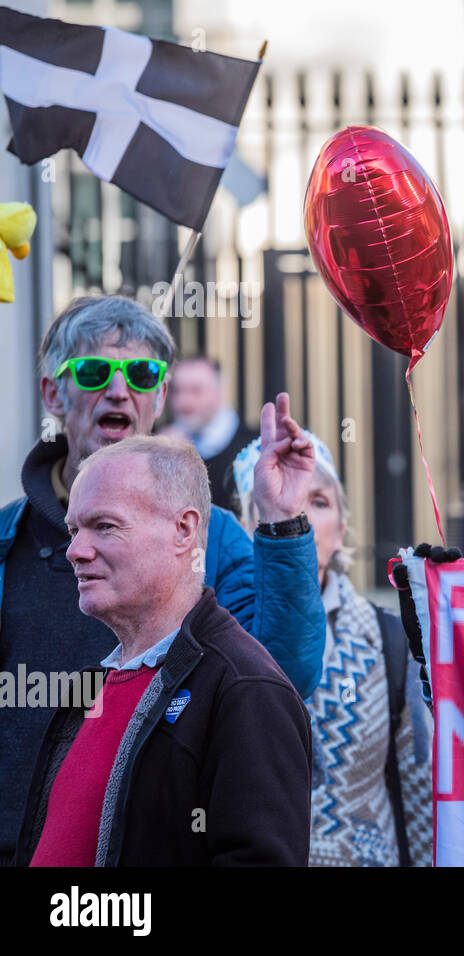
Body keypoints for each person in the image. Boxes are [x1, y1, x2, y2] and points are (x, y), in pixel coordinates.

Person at [0, 294, 325, 867]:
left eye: (143, 372)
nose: (120, 390)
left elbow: (283, 674)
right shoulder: (7, 538)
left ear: (161, 396)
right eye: (96, 371)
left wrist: (281, 523)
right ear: (54, 394)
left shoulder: (213, 536)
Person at [16, 437, 311, 866]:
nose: (76, 551)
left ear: (183, 530)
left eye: (105, 526)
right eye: (73, 530)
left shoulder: (245, 688)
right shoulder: (98, 685)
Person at [231, 433, 433, 867]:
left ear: (341, 529)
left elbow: (421, 788)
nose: (297, 514)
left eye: (317, 502)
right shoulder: (217, 636)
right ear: (247, 524)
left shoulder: (389, 640)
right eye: (278, 502)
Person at [163, 355, 258, 512]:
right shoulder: (158, 442)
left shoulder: (253, 447)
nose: (184, 402)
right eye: (177, 391)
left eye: (196, 391)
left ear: (220, 392)